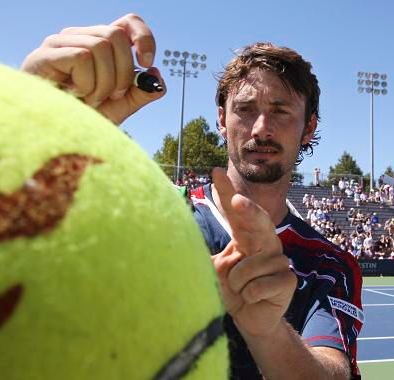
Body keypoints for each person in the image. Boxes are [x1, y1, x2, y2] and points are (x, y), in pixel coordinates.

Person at [21, 14, 363, 379]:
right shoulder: (157, 214)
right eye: (245, 110)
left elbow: (333, 373)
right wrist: (42, 127)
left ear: (308, 126)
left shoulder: (329, 263)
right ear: (221, 119)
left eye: (280, 111)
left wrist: (267, 330)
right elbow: (21, 255)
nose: (261, 128)